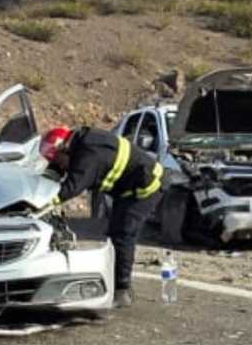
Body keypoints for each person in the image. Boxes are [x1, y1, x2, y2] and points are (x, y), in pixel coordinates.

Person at [40, 126, 164, 308]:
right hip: (127, 190)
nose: (60, 166)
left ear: (64, 148)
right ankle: (114, 284)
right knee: (115, 232)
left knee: (123, 235)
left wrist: (42, 203)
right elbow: (58, 166)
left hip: (145, 188)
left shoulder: (88, 155)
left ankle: (122, 291)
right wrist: (43, 181)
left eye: (58, 160)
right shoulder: (77, 144)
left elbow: (72, 186)